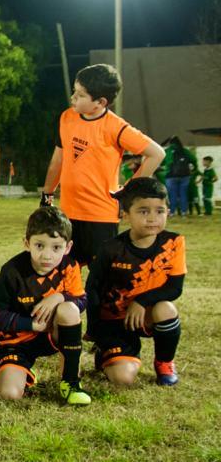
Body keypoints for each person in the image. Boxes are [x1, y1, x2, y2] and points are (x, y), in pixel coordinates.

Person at [41, 64, 165, 265]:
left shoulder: (115, 127)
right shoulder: (67, 117)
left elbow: (156, 154)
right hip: (68, 213)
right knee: (65, 274)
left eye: (80, 95)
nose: (73, 98)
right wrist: (47, 194)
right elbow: (58, 159)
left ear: (100, 102)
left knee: (101, 280)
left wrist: (129, 191)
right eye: (74, 91)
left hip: (101, 217)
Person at [86, 177, 186, 387]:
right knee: (123, 380)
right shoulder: (111, 249)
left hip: (145, 315)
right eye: (143, 211)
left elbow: (174, 288)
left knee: (166, 309)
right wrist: (96, 331)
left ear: (168, 211)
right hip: (115, 322)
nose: (152, 218)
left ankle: (164, 363)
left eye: (159, 210)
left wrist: (141, 301)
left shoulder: (173, 243)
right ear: (125, 214)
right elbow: (93, 289)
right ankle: (108, 353)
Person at [0, 206, 90, 405]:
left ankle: (70, 381)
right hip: (17, 342)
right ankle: (22, 372)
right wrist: (30, 324)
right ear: (27, 243)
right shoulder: (12, 271)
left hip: (52, 334)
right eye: (40, 246)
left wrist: (60, 297)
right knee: (9, 394)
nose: (47, 256)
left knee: (69, 309)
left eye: (56, 247)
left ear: (67, 247)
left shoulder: (69, 266)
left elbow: (82, 301)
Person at [164, 138, 195, 217]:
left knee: (172, 194)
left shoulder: (168, 151)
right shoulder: (185, 150)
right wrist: (194, 168)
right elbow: (193, 159)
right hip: (185, 175)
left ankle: (172, 212)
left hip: (171, 176)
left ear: (170, 143)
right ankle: (184, 212)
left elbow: (162, 161)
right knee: (183, 194)